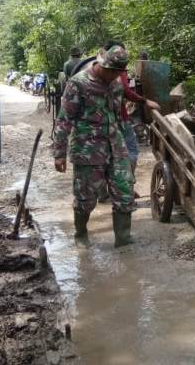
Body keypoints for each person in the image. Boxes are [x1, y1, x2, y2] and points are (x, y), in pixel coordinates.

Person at [54, 45, 136, 248]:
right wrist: (59, 153)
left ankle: (123, 239)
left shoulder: (116, 85)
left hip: (115, 146)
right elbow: (64, 120)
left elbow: (117, 116)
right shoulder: (78, 84)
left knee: (125, 192)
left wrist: (124, 140)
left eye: (119, 72)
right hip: (87, 150)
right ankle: (80, 234)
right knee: (85, 198)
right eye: (113, 71)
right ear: (103, 65)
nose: (116, 76)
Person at [103, 40, 160, 177]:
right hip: (120, 117)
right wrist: (145, 101)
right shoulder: (117, 67)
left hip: (103, 119)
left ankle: (107, 190)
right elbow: (126, 91)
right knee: (132, 149)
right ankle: (128, 184)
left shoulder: (97, 71)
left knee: (108, 153)